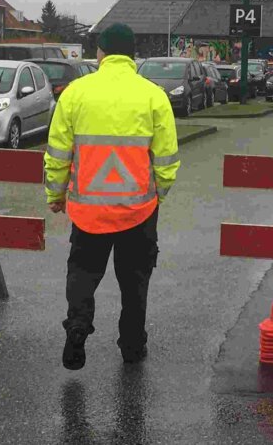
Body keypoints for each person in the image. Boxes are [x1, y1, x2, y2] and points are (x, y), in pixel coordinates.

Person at [43, 23, 180, 371]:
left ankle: (77, 325)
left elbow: (58, 153)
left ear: (101, 52)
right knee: (134, 281)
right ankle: (132, 345)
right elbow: (166, 158)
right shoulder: (153, 95)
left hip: (89, 212)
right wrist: (158, 196)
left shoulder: (75, 93)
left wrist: (56, 195)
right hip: (138, 210)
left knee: (83, 273)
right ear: (132, 55)